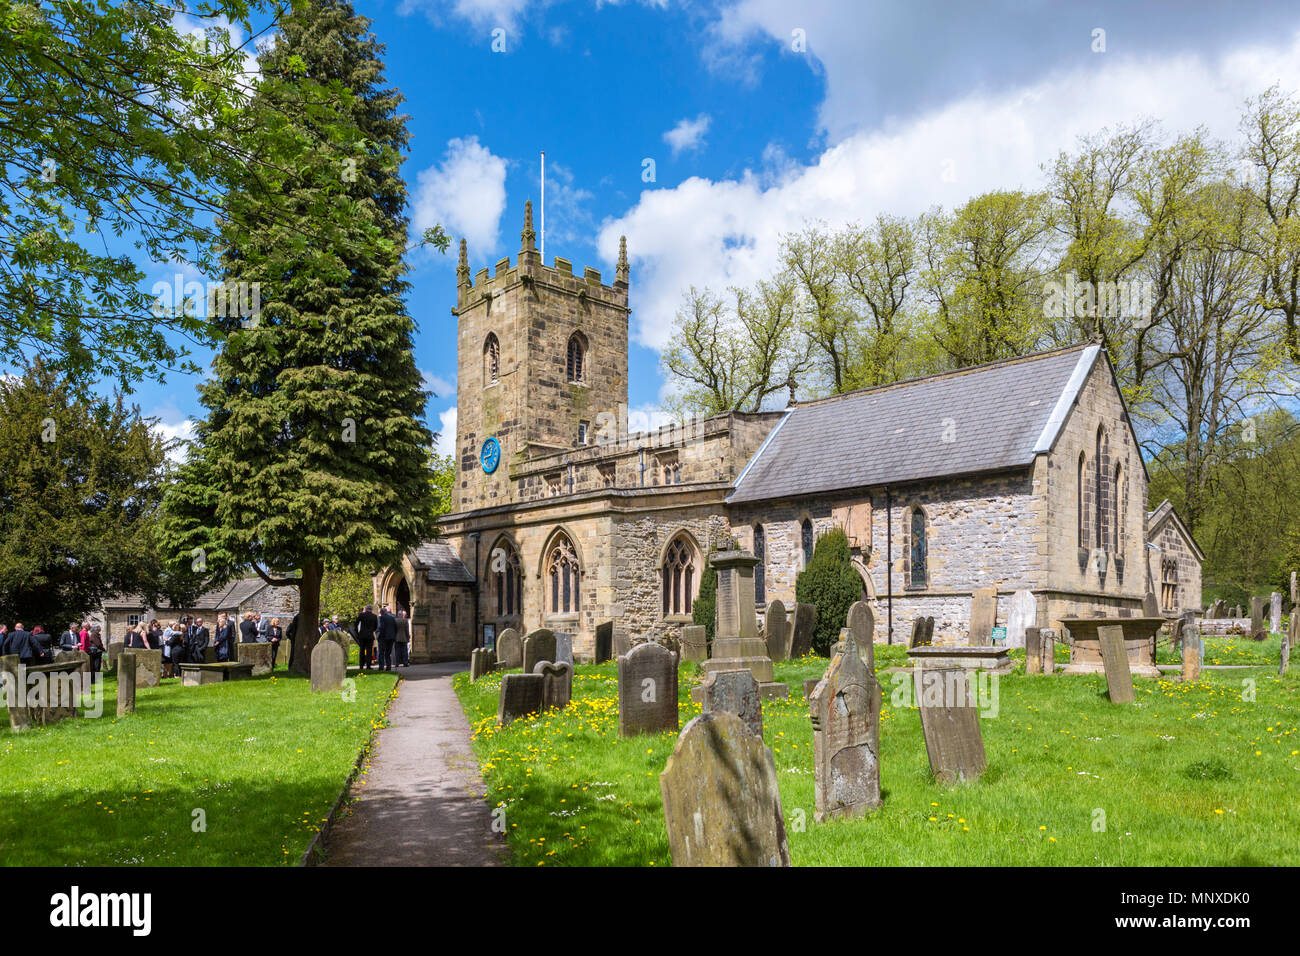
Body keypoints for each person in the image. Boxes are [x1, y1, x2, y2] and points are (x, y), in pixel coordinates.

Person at [355, 605, 378, 671]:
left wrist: (358, 633)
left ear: (366, 609)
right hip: (370, 636)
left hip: (362, 635)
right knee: (369, 651)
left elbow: (356, 624)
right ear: (371, 609)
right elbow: (376, 626)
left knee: (362, 651)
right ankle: (368, 665)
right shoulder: (374, 616)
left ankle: (361, 666)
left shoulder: (362, 615)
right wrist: (371, 630)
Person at [375, 605, 396, 672]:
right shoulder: (392, 618)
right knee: (388, 653)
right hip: (391, 638)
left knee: (381, 653)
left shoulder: (381, 618)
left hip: (383, 638)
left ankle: (381, 667)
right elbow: (396, 628)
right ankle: (388, 667)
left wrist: (378, 636)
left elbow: (381, 627)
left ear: (381, 613)